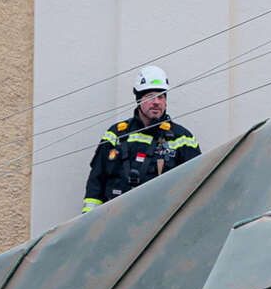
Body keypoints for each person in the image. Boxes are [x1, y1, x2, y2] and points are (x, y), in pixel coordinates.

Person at [84, 66, 201, 212]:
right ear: (139, 99)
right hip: (115, 222)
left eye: (161, 96)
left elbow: (197, 184)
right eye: (150, 96)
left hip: (159, 224)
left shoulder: (182, 138)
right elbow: (96, 183)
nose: (156, 102)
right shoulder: (116, 135)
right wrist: (89, 224)